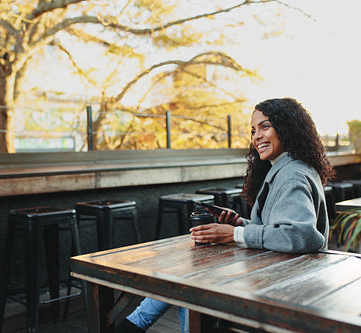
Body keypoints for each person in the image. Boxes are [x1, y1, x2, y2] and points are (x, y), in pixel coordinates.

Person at [116, 97, 335, 333]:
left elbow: (303, 236)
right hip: (279, 276)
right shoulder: (288, 168)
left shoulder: (291, 175)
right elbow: (280, 228)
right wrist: (241, 223)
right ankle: (135, 323)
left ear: (288, 128)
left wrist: (236, 234)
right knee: (190, 278)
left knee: (191, 280)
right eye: (253, 130)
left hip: (286, 290)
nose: (257, 136)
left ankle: (134, 324)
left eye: (265, 126)